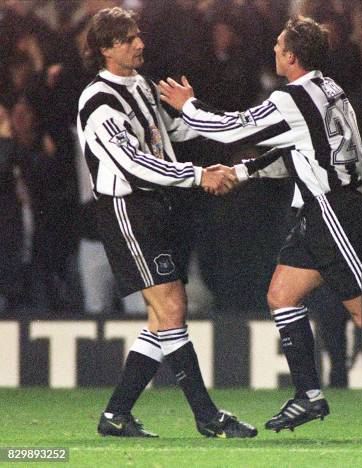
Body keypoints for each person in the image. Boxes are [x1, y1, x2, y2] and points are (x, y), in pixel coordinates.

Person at [159, 15, 362, 436]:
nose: (272, 49)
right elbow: (303, 152)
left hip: (332, 211)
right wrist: (246, 172)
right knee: (281, 295)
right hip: (324, 210)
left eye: (277, 44)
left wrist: (188, 106)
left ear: (291, 55)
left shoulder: (292, 98)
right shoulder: (333, 90)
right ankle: (308, 395)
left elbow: (231, 128)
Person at [77, 7, 256, 439]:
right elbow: (136, 165)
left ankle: (116, 414)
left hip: (157, 207)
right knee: (172, 307)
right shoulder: (97, 102)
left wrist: (195, 112)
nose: (139, 44)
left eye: (138, 36)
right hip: (127, 209)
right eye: (127, 39)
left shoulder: (139, 84)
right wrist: (200, 176)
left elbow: (172, 133)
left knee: (163, 316)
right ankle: (207, 415)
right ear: (105, 48)